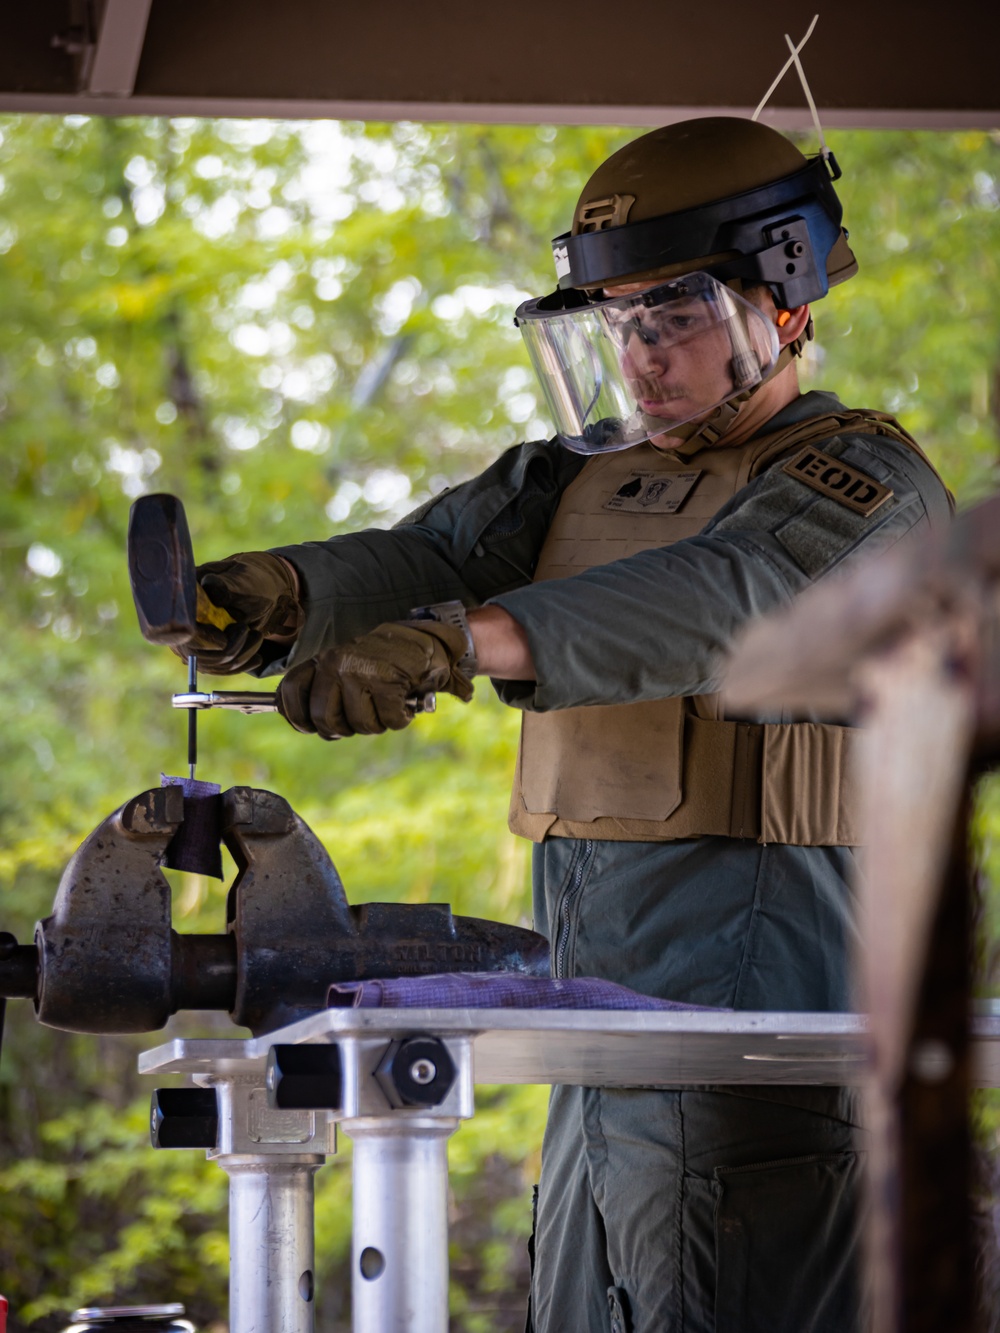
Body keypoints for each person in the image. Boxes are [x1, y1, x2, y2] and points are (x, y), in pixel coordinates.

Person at [179, 118, 952, 1331]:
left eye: (676, 318)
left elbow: (724, 596)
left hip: (756, 1055)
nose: (641, 359)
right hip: (593, 1037)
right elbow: (430, 554)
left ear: (785, 298)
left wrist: (457, 643)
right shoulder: (577, 479)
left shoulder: (860, 490)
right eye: (620, 325)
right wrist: (280, 597)